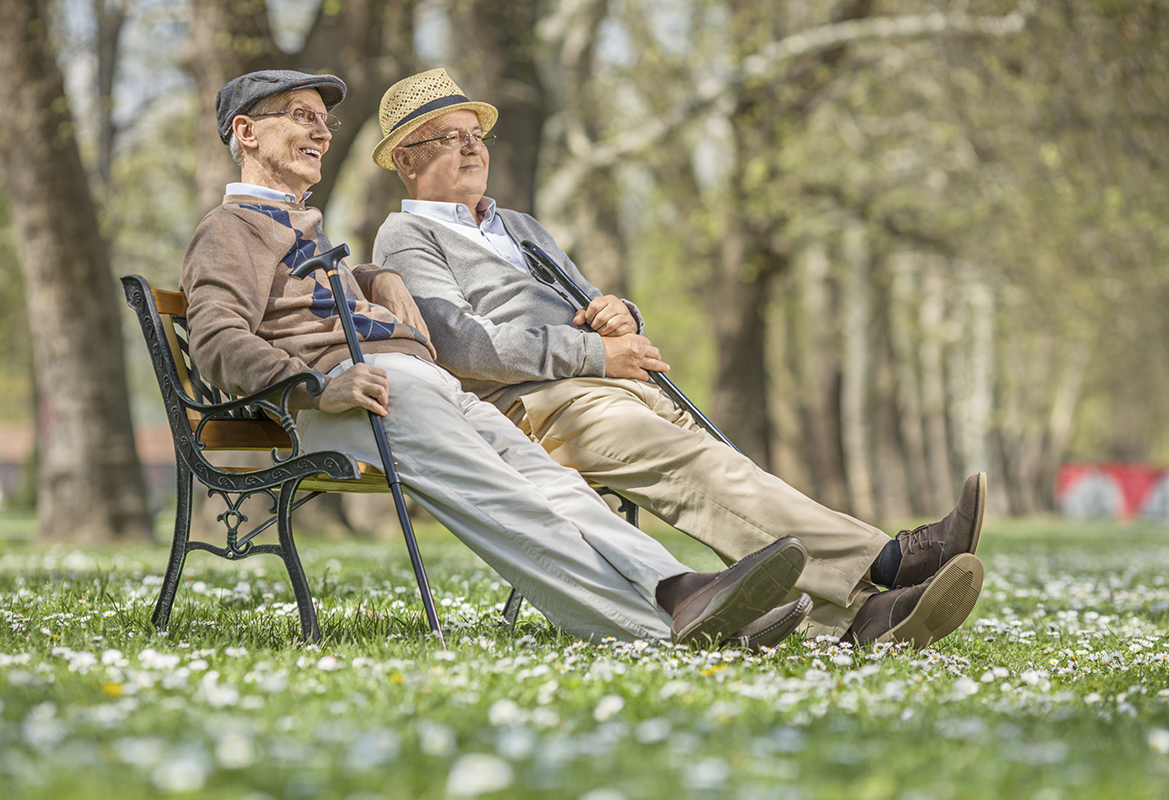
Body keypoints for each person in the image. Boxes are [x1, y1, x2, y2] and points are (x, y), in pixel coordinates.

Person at [179, 69, 812, 649]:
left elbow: (307, 304)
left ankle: (682, 591)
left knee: (553, 483)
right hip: (352, 397)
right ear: (247, 132)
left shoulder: (303, 228)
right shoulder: (229, 229)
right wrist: (315, 386)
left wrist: (372, 282)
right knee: (506, 497)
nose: (319, 131)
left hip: (418, 384)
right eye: (300, 115)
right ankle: (661, 629)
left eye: (323, 120)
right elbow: (214, 340)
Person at [369, 68, 987, 650]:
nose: (472, 148)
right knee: (702, 466)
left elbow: (589, 305)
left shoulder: (521, 226)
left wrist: (621, 315)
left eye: (476, 135)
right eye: (448, 137)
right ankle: (890, 559)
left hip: (612, 384)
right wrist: (594, 351)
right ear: (407, 159)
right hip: (536, 404)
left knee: (729, 470)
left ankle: (862, 619)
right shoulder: (407, 236)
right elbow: (459, 345)